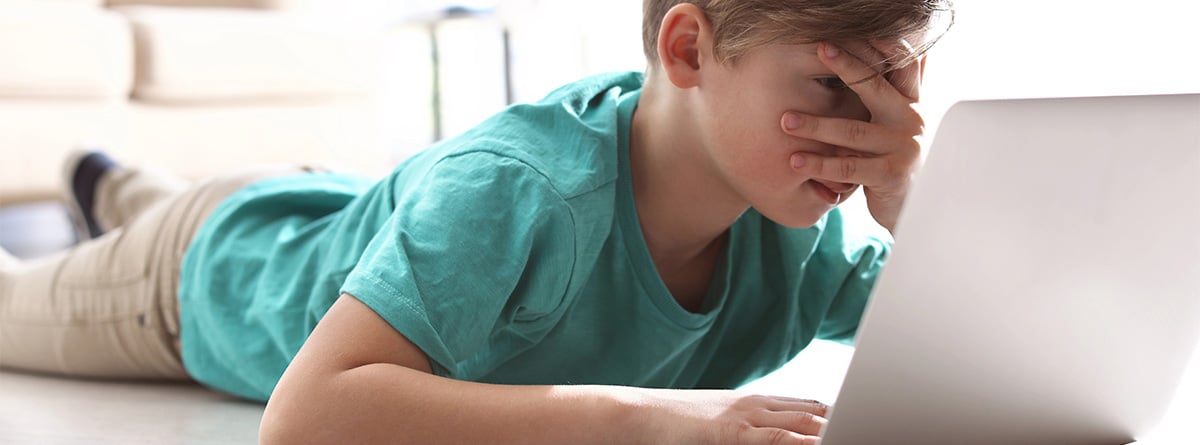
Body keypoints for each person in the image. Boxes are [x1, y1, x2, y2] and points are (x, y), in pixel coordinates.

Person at [0, 0, 953, 443]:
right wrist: (659, 418)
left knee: (201, 201)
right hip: (203, 279)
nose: (885, 129)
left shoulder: (802, 223)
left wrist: (915, 202)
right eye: (839, 84)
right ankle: (139, 206)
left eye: (898, 87)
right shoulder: (526, 189)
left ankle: (123, 187)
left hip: (331, 204)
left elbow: (973, 339)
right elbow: (304, 419)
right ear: (689, 46)